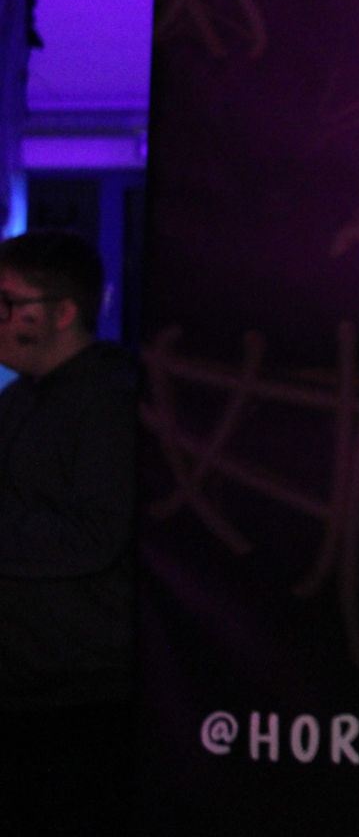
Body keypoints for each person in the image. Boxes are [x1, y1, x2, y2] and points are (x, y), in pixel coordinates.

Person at [0, 230, 139, 834]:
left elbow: (94, 535)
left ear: (63, 313)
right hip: (29, 683)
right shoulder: (20, 398)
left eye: (9, 304)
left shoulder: (112, 400)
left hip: (79, 694)